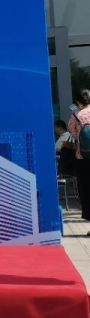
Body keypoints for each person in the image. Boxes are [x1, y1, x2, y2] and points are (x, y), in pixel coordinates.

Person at [69, 90, 90, 221]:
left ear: (77, 102)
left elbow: (74, 134)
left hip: (83, 157)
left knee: (86, 190)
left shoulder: (76, 116)